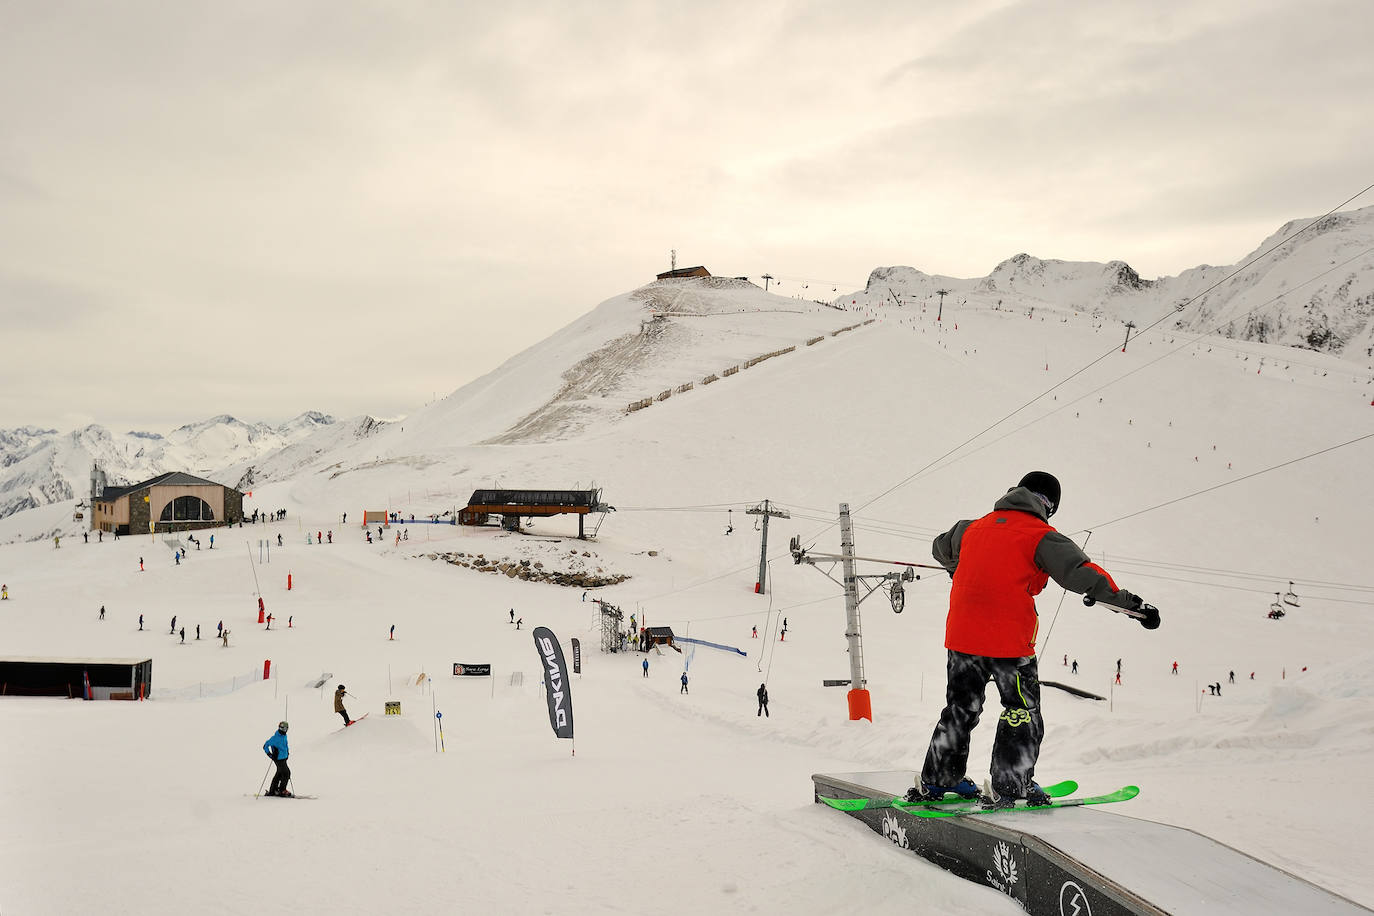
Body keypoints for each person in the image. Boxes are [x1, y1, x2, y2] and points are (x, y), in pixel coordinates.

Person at [911, 471, 1159, 807]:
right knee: (1020, 711)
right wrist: (1136, 608)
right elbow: (1085, 576)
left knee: (960, 709)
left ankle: (939, 780)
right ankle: (1011, 785)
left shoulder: (970, 528)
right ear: (1049, 506)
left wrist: (958, 567)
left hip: (962, 639)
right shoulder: (1042, 536)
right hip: (1008, 645)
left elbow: (940, 546)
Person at [263, 721, 292, 796]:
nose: (284, 730)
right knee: (286, 773)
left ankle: (273, 790)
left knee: (279, 774)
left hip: (284, 758)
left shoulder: (284, 736)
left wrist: (287, 752)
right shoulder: (275, 738)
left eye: (286, 729)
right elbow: (265, 746)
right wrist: (270, 754)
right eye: (283, 728)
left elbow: (285, 745)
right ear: (279, 728)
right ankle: (282, 790)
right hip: (278, 759)